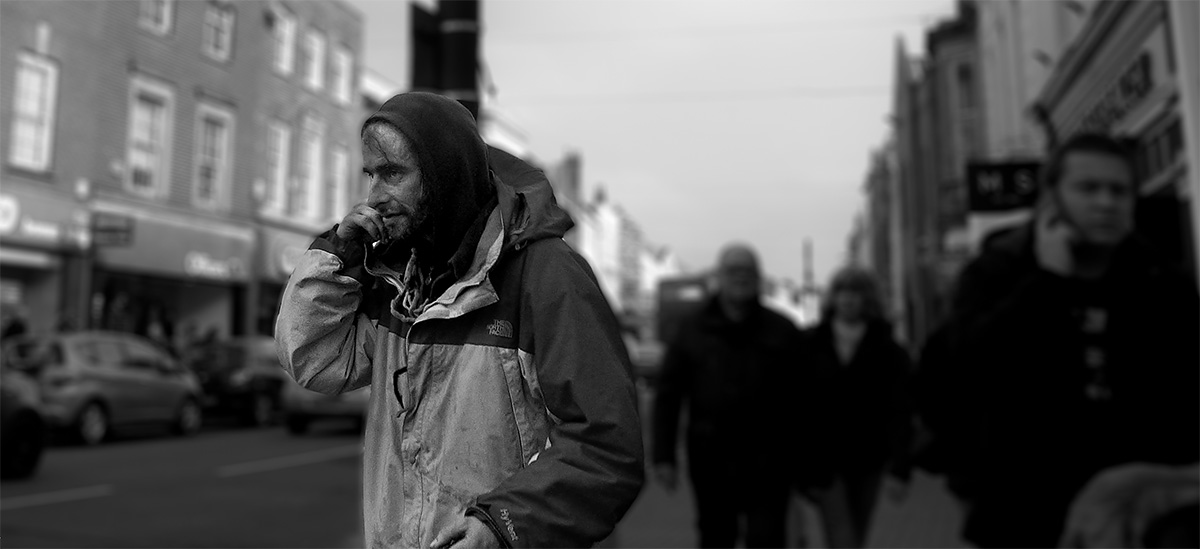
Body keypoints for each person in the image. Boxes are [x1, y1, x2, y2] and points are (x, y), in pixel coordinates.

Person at [275, 92, 644, 549]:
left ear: (444, 174)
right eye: (371, 175)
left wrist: (504, 525)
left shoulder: (548, 275)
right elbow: (314, 359)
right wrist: (338, 254)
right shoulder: (397, 274)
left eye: (393, 173)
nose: (374, 197)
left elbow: (606, 447)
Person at [918, 133, 1199, 548]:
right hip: (1025, 513)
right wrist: (1048, 282)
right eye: (1088, 188)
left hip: (1134, 515)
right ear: (1051, 199)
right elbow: (969, 367)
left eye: (1119, 191)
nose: (1106, 203)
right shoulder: (998, 273)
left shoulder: (1161, 280)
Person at [652, 243, 807, 548]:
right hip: (711, 459)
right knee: (716, 536)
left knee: (767, 538)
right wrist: (664, 457)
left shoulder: (783, 331)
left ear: (759, 278)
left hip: (770, 460)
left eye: (748, 271)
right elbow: (668, 396)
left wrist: (805, 459)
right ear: (719, 277)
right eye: (734, 270)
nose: (741, 277)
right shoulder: (692, 329)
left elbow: (804, 398)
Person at [803, 266, 913, 548]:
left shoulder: (888, 350)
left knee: (857, 533)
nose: (848, 299)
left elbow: (900, 410)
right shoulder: (811, 344)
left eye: (856, 292)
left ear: (868, 299)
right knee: (843, 538)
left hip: (868, 458)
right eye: (842, 291)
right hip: (825, 460)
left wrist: (900, 467)